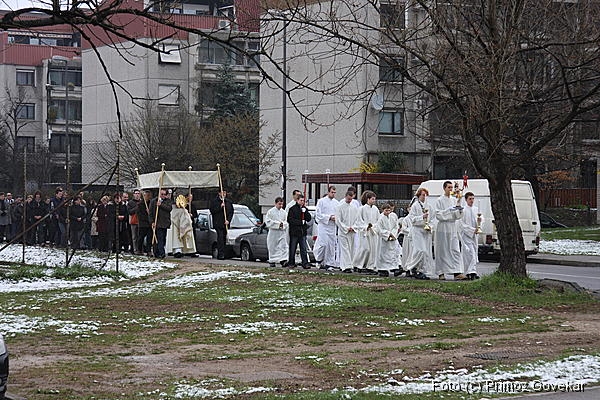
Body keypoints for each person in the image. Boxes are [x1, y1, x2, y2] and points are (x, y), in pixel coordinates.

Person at [434, 181, 467, 280]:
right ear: (444, 188)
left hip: (452, 227)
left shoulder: (454, 200)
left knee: (455, 249)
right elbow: (438, 214)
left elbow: (458, 215)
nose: (451, 189)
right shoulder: (439, 200)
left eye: (451, 187)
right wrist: (449, 210)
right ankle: (441, 272)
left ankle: (457, 272)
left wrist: (459, 209)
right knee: (442, 250)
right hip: (443, 227)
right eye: (449, 187)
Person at [403, 188, 432, 280]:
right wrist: (422, 217)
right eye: (423, 195)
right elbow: (412, 219)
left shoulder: (428, 206)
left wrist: (430, 226)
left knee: (425, 252)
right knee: (419, 250)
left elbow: (432, 219)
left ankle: (421, 270)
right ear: (419, 196)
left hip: (425, 231)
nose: (424, 197)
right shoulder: (415, 206)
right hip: (417, 231)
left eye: (426, 195)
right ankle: (412, 267)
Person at [353, 191, 380, 274]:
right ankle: (357, 264)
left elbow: (378, 220)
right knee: (365, 248)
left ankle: (370, 266)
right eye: (372, 199)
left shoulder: (375, 209)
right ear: (368, 199)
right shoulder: (362, 209)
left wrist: (373, 226)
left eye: (374, 199)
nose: (374, 201)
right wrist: (365, 226)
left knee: (373, 250)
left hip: (372, 232)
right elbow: (359, 220)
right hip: (364, 232)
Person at [313, 186, 339, 270]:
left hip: (332, 226)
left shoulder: (336, 203)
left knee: (331, 245)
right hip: (323, 226)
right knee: (323, 244)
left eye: (334, 193)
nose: (333, 194)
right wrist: (329, 217)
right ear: (328, 192)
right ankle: (319, 259)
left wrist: (336, 218)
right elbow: (318, 214)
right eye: (332, 192)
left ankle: (329, 263)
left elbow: (339, 214)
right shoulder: (321, 201)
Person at [335, 190, 359, 273]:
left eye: (351, 199)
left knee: (351, 248)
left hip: (352, 231)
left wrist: (353, 227)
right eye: (348, 199)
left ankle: (350, 264)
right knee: (345, 249)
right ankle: (346, 266)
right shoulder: (340, 207)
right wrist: (345, 228)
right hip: (343, 232)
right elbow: (338, 220)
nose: (349, 200)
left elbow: (357, 220)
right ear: (345, 197)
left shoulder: (354, 208)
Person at [286, 194, 313, 269]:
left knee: (303, 248)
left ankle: (305, 263)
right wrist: (300, 222)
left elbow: (309, 218)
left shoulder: (304, 209)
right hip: (294, 232)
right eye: (301, 200)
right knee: (293, 248)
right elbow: (290, 220)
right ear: (297, 200)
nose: (302, 202)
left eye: (303, 201)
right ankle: (291, 262)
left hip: (302, 232)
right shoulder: (292, 209)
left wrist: (305, 212)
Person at [375, 203, 401, 277]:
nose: (387, 212)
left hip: (392, 238)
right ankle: (382, 269)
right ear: (383, 210)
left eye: (389, 210)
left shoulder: (392, 217)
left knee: (393, 253)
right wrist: (388, 234)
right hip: (384, 239)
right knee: (383, 254)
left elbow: (396, 226)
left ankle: (394, 267)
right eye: (386, 210)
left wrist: (393, 234)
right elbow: (379, 229)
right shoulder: (380, 218)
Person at [459, 192, 481, 280]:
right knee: (469, 254)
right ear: (466, 200)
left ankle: (472, 271)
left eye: (473, 199)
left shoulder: (476, 209)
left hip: (474, 236)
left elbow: (481, 220)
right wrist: (472, 230)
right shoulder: (463, 210)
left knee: (474, 253)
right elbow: (462, 224)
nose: (472, 201)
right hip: (466, 235)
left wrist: (479, 224)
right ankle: (470, 271)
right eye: (470, 199)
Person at [209, 190, 234, 260]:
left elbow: (231, 212)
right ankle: (221, 254)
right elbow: (212, 211)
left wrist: (228, 220)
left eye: (225, 193)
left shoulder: (228, 202)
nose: (224, 194)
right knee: (220, 238)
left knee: (224, 238)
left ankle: (224, 253)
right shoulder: (214, 201)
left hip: (225, 223)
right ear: (219, 193)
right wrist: (220, 207)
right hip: (218, 223)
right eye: (222, 193)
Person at [265, 197, 288, 267]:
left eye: (282, 204)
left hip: (281, 232)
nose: (281, 206)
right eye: (279, 204)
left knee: (283, 246)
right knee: (273, 246)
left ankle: (283, 260)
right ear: (275, 203)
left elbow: (286, 222)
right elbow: (268, 221)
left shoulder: (284, 212)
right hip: (273, 232)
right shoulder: (270, 212)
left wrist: (283, 224)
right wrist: (277, 224)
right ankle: (272, 260)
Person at [149, 189, 172, 258]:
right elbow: (150, 213)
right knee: (159, 238)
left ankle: (158, 252)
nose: (163, 196)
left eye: (164, 194)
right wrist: (152, 222)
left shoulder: (167, 201)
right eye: (162, 194)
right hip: (157, 223)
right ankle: (161, 253)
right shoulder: (153, 201)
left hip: (165, 223)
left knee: (163, 238)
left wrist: (161, 205)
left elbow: (169, 208)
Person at [136, 190, 153, 256]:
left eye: (149, 196)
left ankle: (148, 250)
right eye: (146, 196)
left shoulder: (151, 203)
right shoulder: (140, 204)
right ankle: (139, 250)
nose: (148, 197)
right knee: (141, 237)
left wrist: (150, 214)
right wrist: (147, 215)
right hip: (143, 223)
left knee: (149, 238)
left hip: (149, 223)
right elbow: (139, 214)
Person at [128, 190, 142, 254]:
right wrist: (137, 207)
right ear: (133, 194)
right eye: (136, 193)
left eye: (138, 193)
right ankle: (135, 249)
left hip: (141, 221)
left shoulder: (142, 202)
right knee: (134, 237)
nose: (137, 195)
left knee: (140, 236)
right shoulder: (130, 202)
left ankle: (140, 249)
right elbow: (129, 212)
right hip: (133, 221)